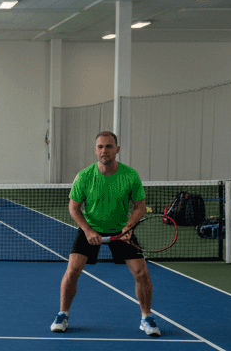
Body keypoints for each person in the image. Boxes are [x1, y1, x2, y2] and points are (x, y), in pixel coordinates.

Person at [51, 131, 160, 338]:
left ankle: (146, 317)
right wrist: (88, 231)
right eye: (100, 147)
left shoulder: (130, 175)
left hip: (121, 230)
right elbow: (74, 208)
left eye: (109, 146)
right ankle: (62, 314)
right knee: (72, 271)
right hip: (90, 227)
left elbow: (140, 207)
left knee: (141, 273)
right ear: (95, 150)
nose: (104, 151)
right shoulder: (84, 176)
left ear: (117, 149)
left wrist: (128, 226)